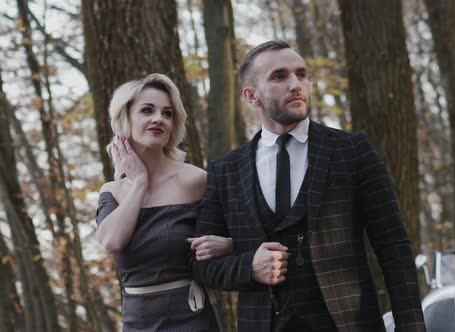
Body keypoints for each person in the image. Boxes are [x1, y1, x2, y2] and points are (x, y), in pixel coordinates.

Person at [191, 40, 426, 331]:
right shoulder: (225, 170)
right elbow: (201, 265)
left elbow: (394, 248)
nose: (296, 84)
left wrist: (411, 327)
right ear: (252, 96)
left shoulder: (353, 151)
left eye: (301, 74)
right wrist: (249, 266)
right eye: (279, 76)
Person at [95, 73, 232, 331]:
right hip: (137, 322)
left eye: (167, 113)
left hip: (192, 318)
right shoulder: (112, 192)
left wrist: (228, 244)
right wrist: (139, 184)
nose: (159, 118)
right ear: (126, 118)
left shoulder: (196, 179)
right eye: (147, 110)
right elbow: (112, 241)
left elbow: (243, 235)